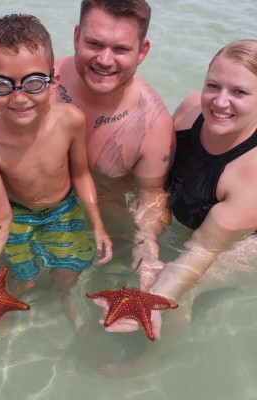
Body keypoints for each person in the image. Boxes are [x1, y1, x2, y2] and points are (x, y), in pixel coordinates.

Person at [0, 0, 175, 278]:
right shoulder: (40, 78)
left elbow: (151, 197)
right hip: (19, 189)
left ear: (142, 51)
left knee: (116, 258)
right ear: (77, 37)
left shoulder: (153, 125)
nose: (104, 59)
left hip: (96, 201)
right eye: (95, 44)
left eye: (121, 49)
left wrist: (148, 247)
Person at [92, 39, 257, 376]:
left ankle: (149, 362)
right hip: (187, 210)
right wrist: (148, 245)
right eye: (213, 85)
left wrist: (154, 295)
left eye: (239, 92)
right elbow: (153, 184)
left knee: (179, 288)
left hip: (244, 244)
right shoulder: (190, 110)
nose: (220, 101)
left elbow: (205, 247)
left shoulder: (252, 172)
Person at [0, 14, 112, 331]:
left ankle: (65, 294)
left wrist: (99, 224)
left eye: (33, 83)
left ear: (54, 80)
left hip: (63, 209)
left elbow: (81, 175)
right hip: (17, 214)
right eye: (2, 85)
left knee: (67, 273)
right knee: (25, 277)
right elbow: (2, 215)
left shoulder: (70, 120)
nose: (19, 97)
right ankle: (15, 303)